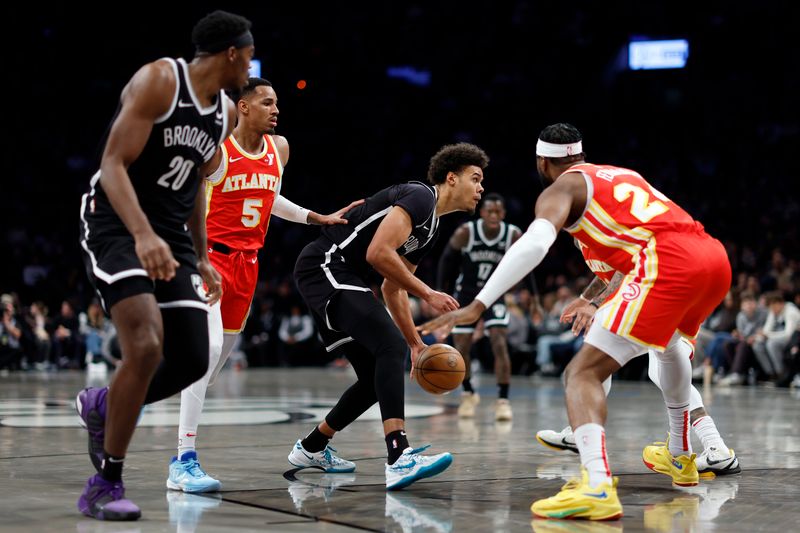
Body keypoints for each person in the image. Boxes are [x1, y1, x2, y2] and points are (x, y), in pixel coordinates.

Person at [421, 123, 731, 520]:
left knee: (580, 374)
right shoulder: (621, 174)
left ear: (542, 162)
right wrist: (588, 298)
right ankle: (681, 456)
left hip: (666, 262)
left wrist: (478, 304)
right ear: (579, 154)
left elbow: (534, 243)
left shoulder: (562, 189)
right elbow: (634, 247)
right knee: (669, 346)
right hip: (712, 258)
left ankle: (598, 486)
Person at [74, 10, 255, 521]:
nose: (252, 64)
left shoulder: (221, 111)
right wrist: (141, 234)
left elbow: (196, 184)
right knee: (147, 343)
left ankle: (104, 405)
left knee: (193, 357)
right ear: (232, 53)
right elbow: (112, 166)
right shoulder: (159, 80)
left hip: (170, 236)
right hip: (116, 224)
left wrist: (199, 253)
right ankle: (104, 484)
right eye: (250, 54)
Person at [165, 77, 362, 493]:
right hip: (209, 260)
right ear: (243, 107)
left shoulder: (280, 149)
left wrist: (316, 217)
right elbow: (183, 204)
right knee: (209, 351)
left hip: (247, 266)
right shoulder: (217, 152)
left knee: (210, 369)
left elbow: (270, 198)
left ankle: (143, 386)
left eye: (278, 104)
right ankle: (183, 460)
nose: (276, 110)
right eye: (268, 103)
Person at [288, 143, 488, 490]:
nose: (481, 188)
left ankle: (312, 447)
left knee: (375, 376)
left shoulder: (431, 228)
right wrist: (427, 293)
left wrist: (415, 343)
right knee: (388, 348)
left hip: (339, 278)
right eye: (476, 179)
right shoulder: (420, 196)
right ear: (451, 178)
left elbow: (392, 287)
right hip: (326, 265)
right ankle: (398, 456)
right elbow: (378, 253)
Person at [536, 243, 740, 477]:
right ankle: (713, 448)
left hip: (666, 292)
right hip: (667, 291)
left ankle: (589, 452)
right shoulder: (582, 234)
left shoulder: (602, 221)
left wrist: (594, 304)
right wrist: (586, 298)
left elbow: (626, 266)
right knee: (653, 367)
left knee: (599, 355)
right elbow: (608, 273)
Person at [436, 193, 521, 420]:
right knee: (462, 346)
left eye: (498, 211)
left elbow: (526, 265)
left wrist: (531, 297)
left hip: (495, 294)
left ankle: (503, 400)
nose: (494, 215)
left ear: (503, 213)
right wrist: (438, 292)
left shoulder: (512, 234)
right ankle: (468, 393)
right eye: (489, 211)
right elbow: (446, 260)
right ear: (482, 212)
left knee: (499, 341)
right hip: (467, 294)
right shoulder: (466, 232)